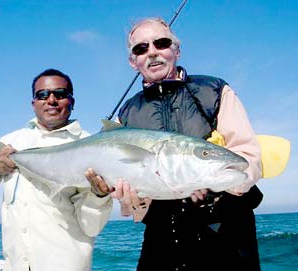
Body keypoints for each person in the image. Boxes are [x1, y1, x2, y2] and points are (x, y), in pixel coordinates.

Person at [86, 18, 263, 271]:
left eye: (161, 43)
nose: (152, 52)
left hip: (225, 232)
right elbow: (130, 195)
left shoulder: (213, 91)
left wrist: (212, 188)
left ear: (176, 50)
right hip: (161, 236)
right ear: (132, 61)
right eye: (141, 48)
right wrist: (117, 194)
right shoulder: (125, 115)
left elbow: (248, 160)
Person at [0, 68, 113, 271]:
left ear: (71, 102)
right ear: (33, 104)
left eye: (60, 94)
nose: (51, 100)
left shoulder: (92, 148)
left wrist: (99, 196)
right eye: (42, 95)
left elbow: (91, 226)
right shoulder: (12, 142)